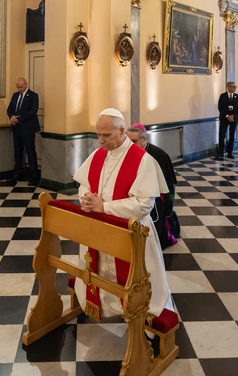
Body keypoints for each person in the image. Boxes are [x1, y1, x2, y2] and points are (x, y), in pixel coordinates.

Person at [74, 109, 175, 321]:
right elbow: (84, 184)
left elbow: (144, 205)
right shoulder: (98, 155)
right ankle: (103, 304)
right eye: (98, 134)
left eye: (106, 135)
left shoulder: (142, 160)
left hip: (132, 233)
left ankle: (138, 311)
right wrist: (87, 198)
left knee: (135, 279)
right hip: (100, 228)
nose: (101, 140)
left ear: (121, 131)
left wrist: (104, 207)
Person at [127, 124, 178, 250]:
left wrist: (168, 209)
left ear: (144, 139)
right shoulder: (126, 153)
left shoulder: (160, 155)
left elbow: (170, 185)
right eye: (128, 141)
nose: (130, 145)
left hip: (154, 200)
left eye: (134, 141)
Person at [5, 78, 40, 186]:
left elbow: (33, 112)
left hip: (28, 128)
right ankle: (17, 173)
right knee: (18, 152)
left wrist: (19, 118)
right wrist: (11, 116)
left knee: (30, 151)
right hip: (17, 128)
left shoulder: (33, 96)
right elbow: (9, 109)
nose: (19, 89)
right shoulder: (15, 95)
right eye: (18, 87)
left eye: (21, 87)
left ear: (26, 84)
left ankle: (34, 176)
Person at [216, 81, 238, 160]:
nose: (235, 88)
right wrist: (227, 116)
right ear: (228, 87)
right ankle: (221, 152)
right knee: (222, 135)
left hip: (234, 119)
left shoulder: (237, 96)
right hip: (224, 118)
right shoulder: (223, 96)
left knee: (232, 136)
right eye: (233, 87)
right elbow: (220, 107)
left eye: (235, 87)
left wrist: (233, 116)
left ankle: (230, 153)